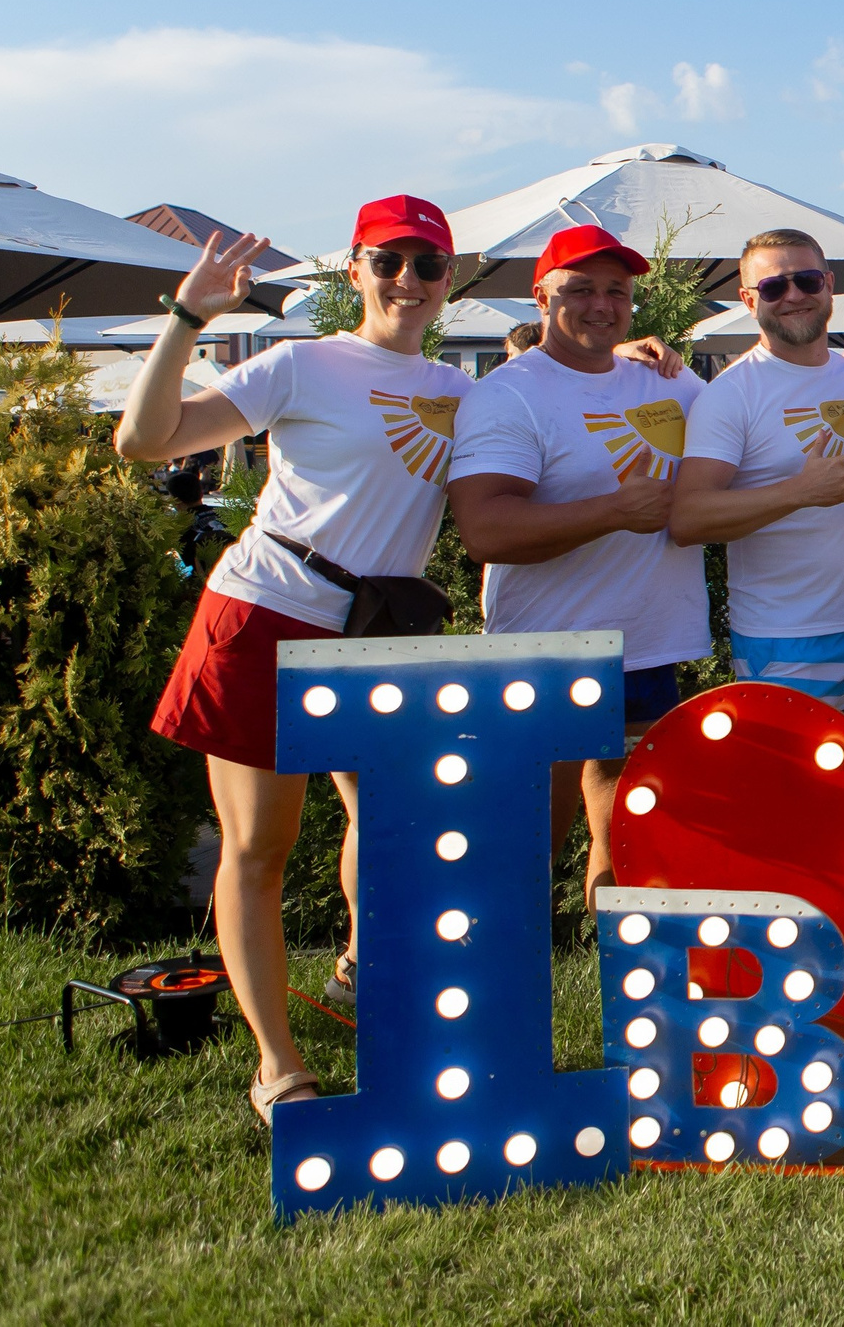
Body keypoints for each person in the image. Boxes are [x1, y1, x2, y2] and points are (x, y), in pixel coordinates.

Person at [126, 197, 470, 1122]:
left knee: (395, 825)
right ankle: (277, 1063)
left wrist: (647, 363)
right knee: (260, 848)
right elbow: (145, 440)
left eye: (427, 265)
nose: (407, 280)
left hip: (382, 627)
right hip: (268, 609)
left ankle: (359, 965)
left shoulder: (464, 390)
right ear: (354, 270)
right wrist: (188, 317)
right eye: (387, 261)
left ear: (450, 280)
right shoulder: (300, 364)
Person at [447, 227, 707, 910]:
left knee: (629, 837)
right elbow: (484, 529)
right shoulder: (509, 394)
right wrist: (614, 509)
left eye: (616, 291)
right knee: (528, 839)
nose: (601, 304)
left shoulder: (665, 380)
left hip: (649, 643)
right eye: (580, 289)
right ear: (540, 297)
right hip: (546, 649)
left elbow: (756, 409)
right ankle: (502, 980)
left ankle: (614, 990)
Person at [672, 229, 844, 732]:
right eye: (773, 287)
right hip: (778, 638)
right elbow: (688, 517)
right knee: (788, 801)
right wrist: (798, 492)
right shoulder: (731, 394)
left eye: (806, 280)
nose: (794, 296)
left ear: (828, 284)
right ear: (747, 299)